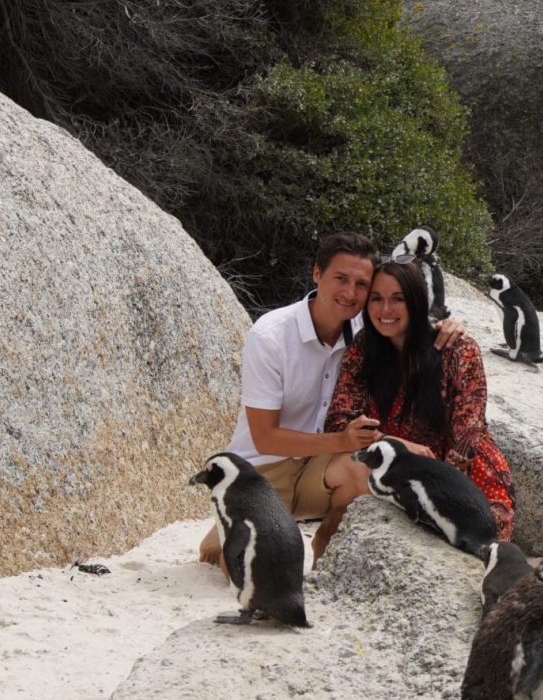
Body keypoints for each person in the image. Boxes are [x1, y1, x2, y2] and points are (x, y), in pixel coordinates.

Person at [199, 232, 466, 567]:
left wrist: (446, 325)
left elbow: (404, 319)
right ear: (317, 274)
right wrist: (343, 440)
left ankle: (327, 545)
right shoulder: (270, 336)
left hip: (321, 468)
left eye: (361, 284)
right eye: (341, 279)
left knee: (369, 471)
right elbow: (264, 437)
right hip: (261, 471)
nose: (350, 293)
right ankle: (225, 535)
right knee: (255, 564)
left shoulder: (366, 326)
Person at [323, 258, 516, 541]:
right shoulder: (364, 349)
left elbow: (468, 436)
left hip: (460, 476)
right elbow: (339, 421)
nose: (385, 310)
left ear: (416, 301)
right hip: (395, 467)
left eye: (398, 299)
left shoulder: (456, 349)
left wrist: (439, 493)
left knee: (474, 543)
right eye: (376, 298)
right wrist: (392, 444)